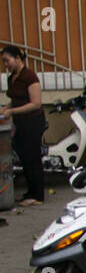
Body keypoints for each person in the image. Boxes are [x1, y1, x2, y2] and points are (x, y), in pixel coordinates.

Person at [0, 45, 45, 208]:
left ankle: (38, 194)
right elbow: (17, 99)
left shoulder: (29, 76)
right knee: (24, 158)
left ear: (18, 58)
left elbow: (35, 103)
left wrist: (11, 111)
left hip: (32, 121)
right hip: (19, 123)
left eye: (7, 61)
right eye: (4, 62)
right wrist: (6, 108)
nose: (6, 65)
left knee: (32, 157)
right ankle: (30, 191)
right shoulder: (12, 77)